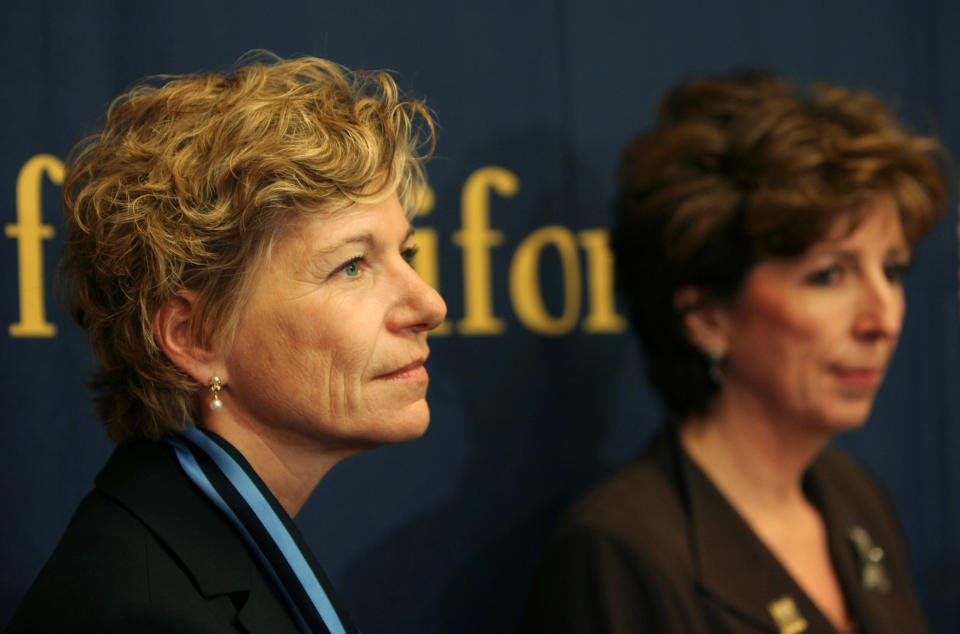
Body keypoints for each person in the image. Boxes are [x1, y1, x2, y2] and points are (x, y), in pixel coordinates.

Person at [7, 53, 446, 633]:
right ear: (195, 336)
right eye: (352, 266)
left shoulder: (196, 556)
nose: (430, 306)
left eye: (405, 253)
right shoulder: (140, 616)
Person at [527, 71, 947, 633]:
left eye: (892, 269)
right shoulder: (621, 549)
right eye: (829, 275)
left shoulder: (855, 496)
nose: (885, 318)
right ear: (707, 319)